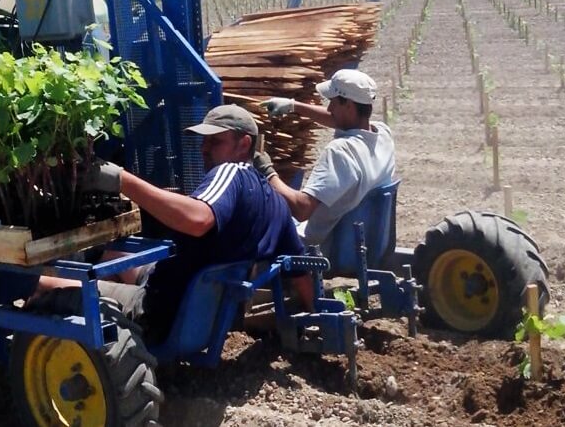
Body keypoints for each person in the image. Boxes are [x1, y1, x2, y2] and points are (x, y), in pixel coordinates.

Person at [35, 104, 304, 342]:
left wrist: (121, 180)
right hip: (192, 305)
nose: (204, 149)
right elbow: (300, 266)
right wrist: (312, 311)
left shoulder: (230, 173)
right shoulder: (277, 204)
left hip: (157, 310)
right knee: (111, 253)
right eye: (203, 142)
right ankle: (106, 301)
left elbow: (198, 219)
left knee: (42, 281)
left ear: (244, 144)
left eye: (215, 142)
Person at [254, 69, 395, 258]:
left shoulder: (341, 152)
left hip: (314, 245)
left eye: (333, 103)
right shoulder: (383, 135)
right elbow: (342, 121)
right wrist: (293, 106)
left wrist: (267, 171)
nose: (329, 109)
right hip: (357, 243)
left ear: (349, 106)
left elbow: (302, 209)